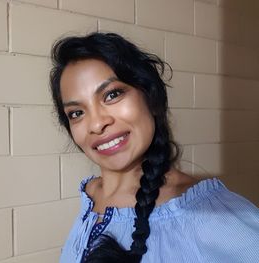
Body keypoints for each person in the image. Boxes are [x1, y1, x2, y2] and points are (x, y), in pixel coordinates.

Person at [49, 32, 259, 263]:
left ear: (152, 97)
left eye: (112, 95)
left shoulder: (208, 214)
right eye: (77, 113)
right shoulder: (89, 196)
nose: (97, 124)